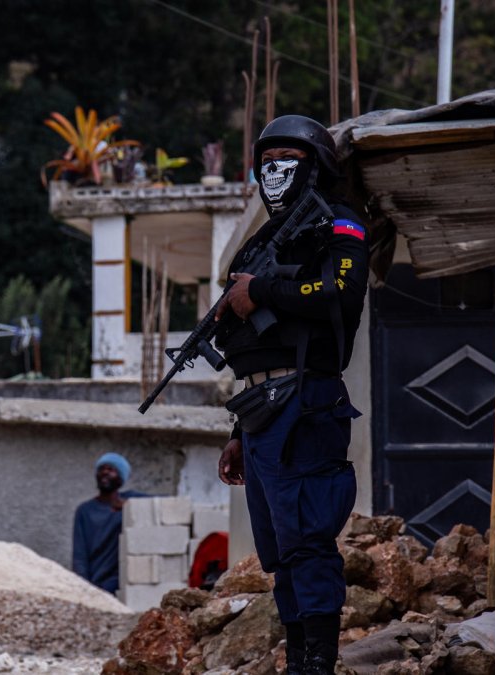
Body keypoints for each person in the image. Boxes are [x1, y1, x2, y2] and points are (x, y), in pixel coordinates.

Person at [213, 115, 369, 675]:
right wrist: (238, 432)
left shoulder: (340, 223)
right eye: (267, 159)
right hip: (261, 414)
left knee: (307, 541)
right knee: (279, 552)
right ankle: (300, 660)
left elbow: (342, 293)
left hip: (306, 403)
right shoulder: (259, 243)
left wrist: (265, 290)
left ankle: (320, 663)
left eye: (289, 158)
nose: (275, 169)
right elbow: (256, 345)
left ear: (317, 165)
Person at [71, 452, 146, 594]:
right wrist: (83, 588)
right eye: (102, 468)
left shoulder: (131, 500)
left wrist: (130, 505)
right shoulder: (85, 511)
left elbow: (165, 503)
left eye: (111, 469)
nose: (105, 472)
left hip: (124, 585)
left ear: (121, 478)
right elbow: (79, 556)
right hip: (96, 584)